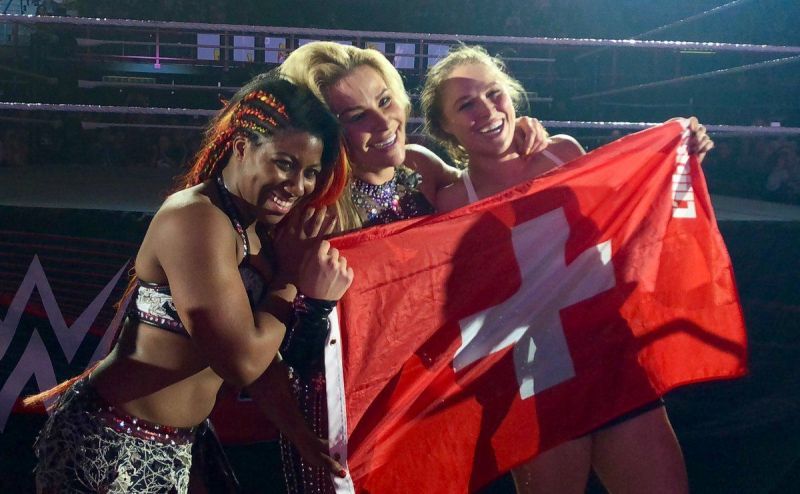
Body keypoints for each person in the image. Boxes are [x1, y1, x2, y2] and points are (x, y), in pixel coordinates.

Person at [26, 73, 354, 494]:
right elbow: (241, 363)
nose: (298, 186)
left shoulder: (256, 228)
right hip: (109, 446)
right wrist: (292, 277)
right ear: (240, 147)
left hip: (182, 447)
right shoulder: (195, 218)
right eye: (285, 163)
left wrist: (303, 437)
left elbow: (263, 362)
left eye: (309, 172)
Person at [420, 45, 713, 494]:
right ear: (446, 128)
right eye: (465, 104)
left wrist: (678, 158)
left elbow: (631, 216)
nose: (486, 110)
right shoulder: (454, 202)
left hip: (609, 357)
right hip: (537, 379)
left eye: (493, 94)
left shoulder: (561, 153)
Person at [275, 41, 550, 493]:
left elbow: (488, 176)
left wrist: (523, 136)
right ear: (325, 130)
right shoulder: (312, 214)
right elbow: (284, 357)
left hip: (425, 395)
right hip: (346, 415)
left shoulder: (422, 167)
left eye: (384, 101)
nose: (383, 124)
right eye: (356, 116)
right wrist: (317, 303)